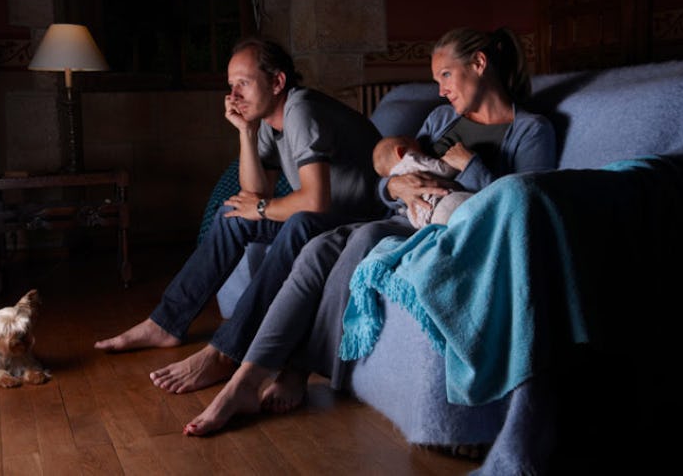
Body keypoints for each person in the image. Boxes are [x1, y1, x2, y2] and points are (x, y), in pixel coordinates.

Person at [183, 26, 558, 436]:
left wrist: (470, 166)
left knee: (359, 240)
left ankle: (299, 365)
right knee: (316, 249)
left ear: (479, 64)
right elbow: (390, 181)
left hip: (452, 228)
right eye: (437, 81)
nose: (440, 91)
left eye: (445, 76)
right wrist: (395, 185)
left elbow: (522, 209)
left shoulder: (531, 130)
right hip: (400, 217)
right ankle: (245, 380)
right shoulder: (439, 120)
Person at [94, 37, 384, 395]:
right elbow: (255, 193)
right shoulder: (268, 121)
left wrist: (261, 208)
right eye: (230, 86)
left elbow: (317, 201)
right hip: (326, 216)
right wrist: (246, 133)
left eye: (243, 83)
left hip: (362, 220)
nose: (234, 95)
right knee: (232, 215)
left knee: (297, 221)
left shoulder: (300, 109)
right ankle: (166, 323)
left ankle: (228, 351)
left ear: (277, 82)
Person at [372, 135, 473, 227]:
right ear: (401, 151)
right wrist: (454, 163)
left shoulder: (397, 177)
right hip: (443, 203)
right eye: (419, 150)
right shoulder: (410, 159)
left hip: (428, 221)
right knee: (475, 205)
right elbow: (443, 170)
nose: (423, 154)